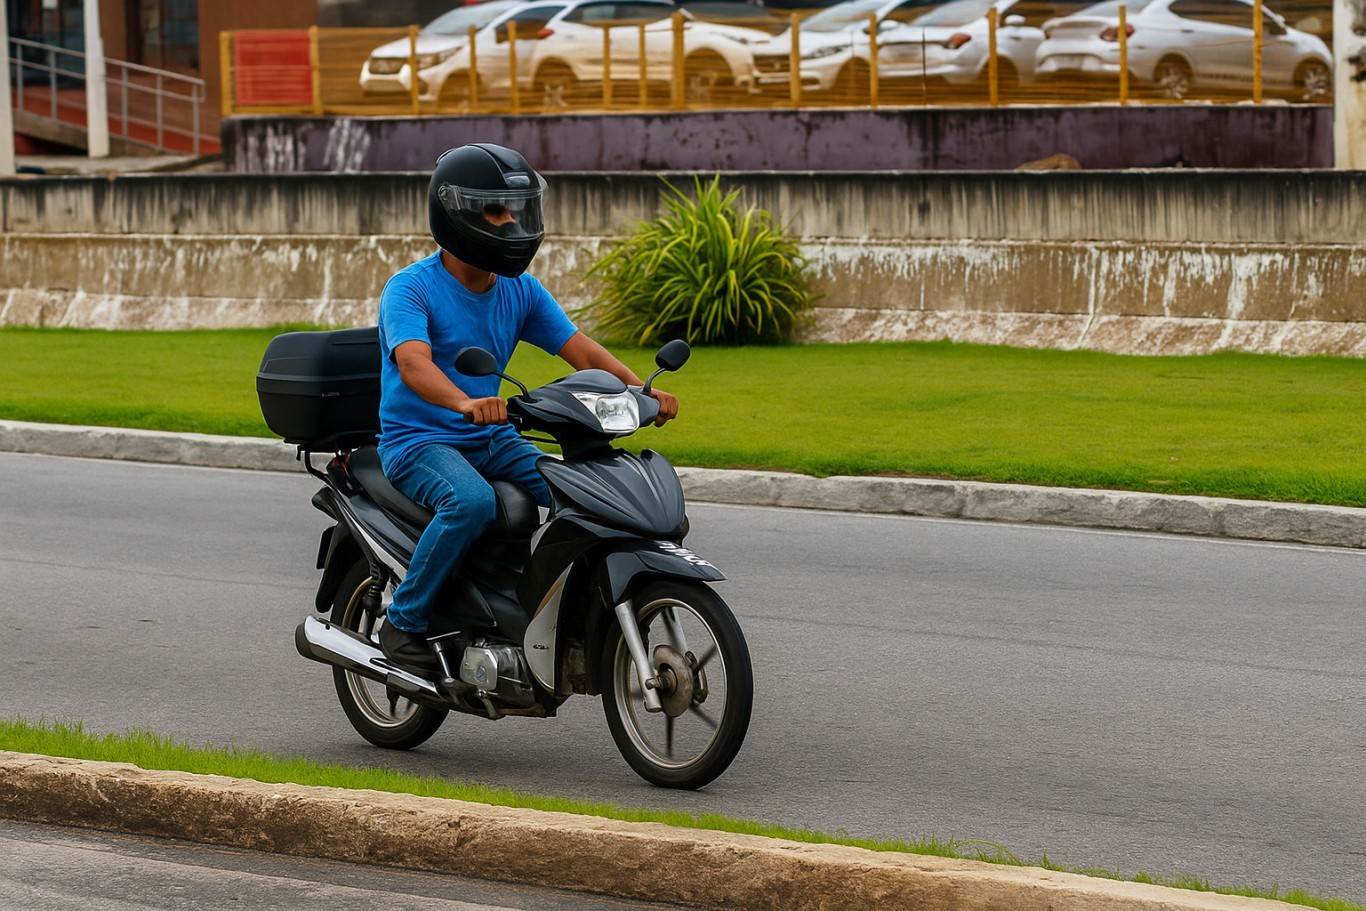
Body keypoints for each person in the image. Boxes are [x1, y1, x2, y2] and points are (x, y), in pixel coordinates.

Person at [375, 142, 677, 672]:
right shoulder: (411, 288)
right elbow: (414, 364)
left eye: (515, 207)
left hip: (492, 438)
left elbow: (580, 349)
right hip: (420, 441)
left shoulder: (520, 289)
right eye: (495, 209)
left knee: (589, 494)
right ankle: (404, 623)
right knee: (470, 503)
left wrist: (640, 391)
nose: (511, 219)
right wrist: (466, 401)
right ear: (458, 213)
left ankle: (539, 611)